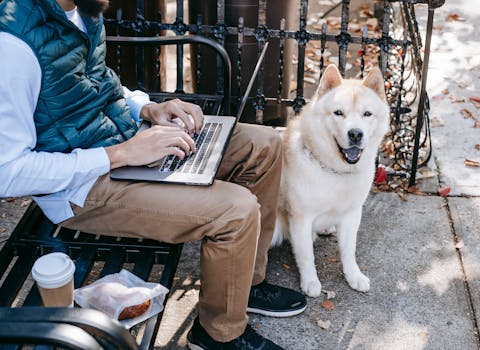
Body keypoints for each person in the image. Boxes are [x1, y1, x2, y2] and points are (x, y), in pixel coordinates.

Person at [0, 0, 307, 348]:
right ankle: (218, 335)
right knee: (235, 211)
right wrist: (119, 155)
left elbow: (98, 82)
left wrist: (149, 108)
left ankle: (243, 285)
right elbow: (7, 172)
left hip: (124, 141)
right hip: (81, 187)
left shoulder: (82, 8)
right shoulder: (12, 44)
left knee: (263, 145)